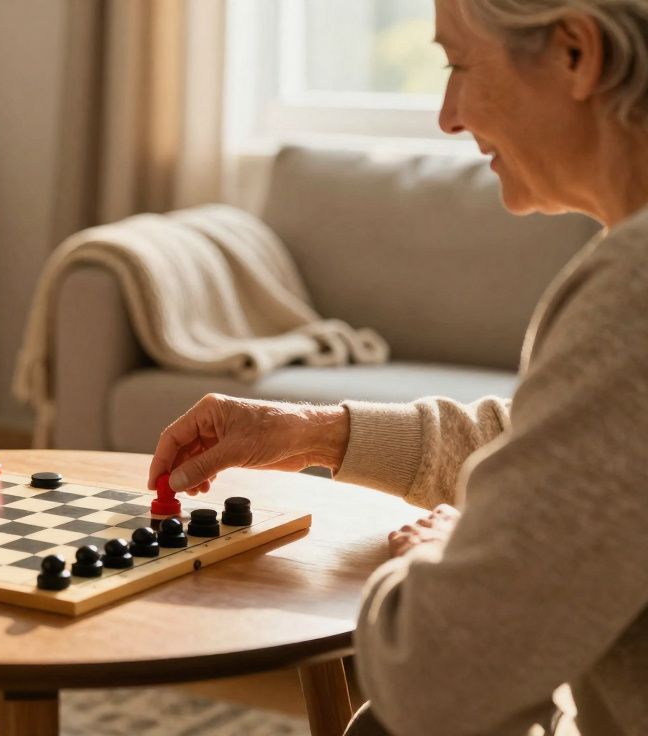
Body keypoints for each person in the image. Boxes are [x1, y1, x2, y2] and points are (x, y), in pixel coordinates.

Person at [149, 1, 648, 734]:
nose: (447, 116)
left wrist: (435, 554)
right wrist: (309, 433)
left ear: (577, 53)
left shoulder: (632, 294)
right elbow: (567, 452)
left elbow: (436, 673)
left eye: (459, 65)